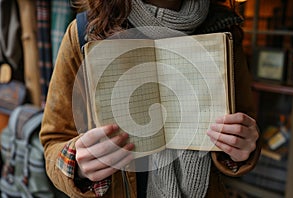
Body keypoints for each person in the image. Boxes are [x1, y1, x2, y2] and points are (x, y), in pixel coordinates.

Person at [40, 0, 261, 197]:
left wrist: (243, 147)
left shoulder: (223, 27)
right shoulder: (85, 31)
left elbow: (245, 126)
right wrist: (78, 165)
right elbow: (54, 141)